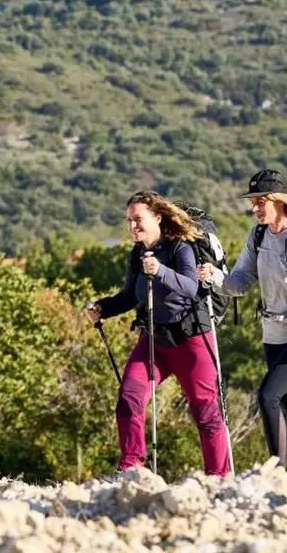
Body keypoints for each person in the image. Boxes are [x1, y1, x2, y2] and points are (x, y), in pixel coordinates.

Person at [198, 168, 287, 483]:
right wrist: (214, 276)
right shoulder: (258, 235)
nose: (255, 208)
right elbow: (240, 282)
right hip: (273, 335)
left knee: (267, 395)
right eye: (253, 202)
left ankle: (277, 474)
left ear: (280, 201)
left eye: (260, 201)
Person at [87, 191, 231, 477]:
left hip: (192, 339)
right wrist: (103, 308)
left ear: (157, 217)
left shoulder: (180, 248)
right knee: (129, 396)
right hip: (154, 340)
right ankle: (131, 470)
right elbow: (130, 296)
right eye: (129, 221)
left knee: (205, 410)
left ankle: (218, 478)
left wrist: (161, 271)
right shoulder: (137, 255)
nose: (132, 226)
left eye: (138, 219)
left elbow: (190, 287)